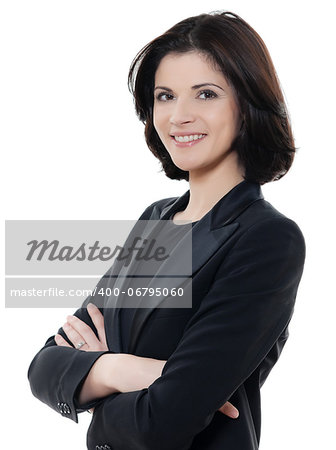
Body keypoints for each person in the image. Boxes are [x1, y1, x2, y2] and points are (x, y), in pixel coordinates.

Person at [28, 11, 306, 450]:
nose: (179, 116)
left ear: (248, 104)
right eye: (165, 96)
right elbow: (43, 367)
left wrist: (95, 380)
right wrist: (127, 370)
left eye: (206, 94)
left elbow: (164, 421)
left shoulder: (267, 238)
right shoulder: (157, 220)